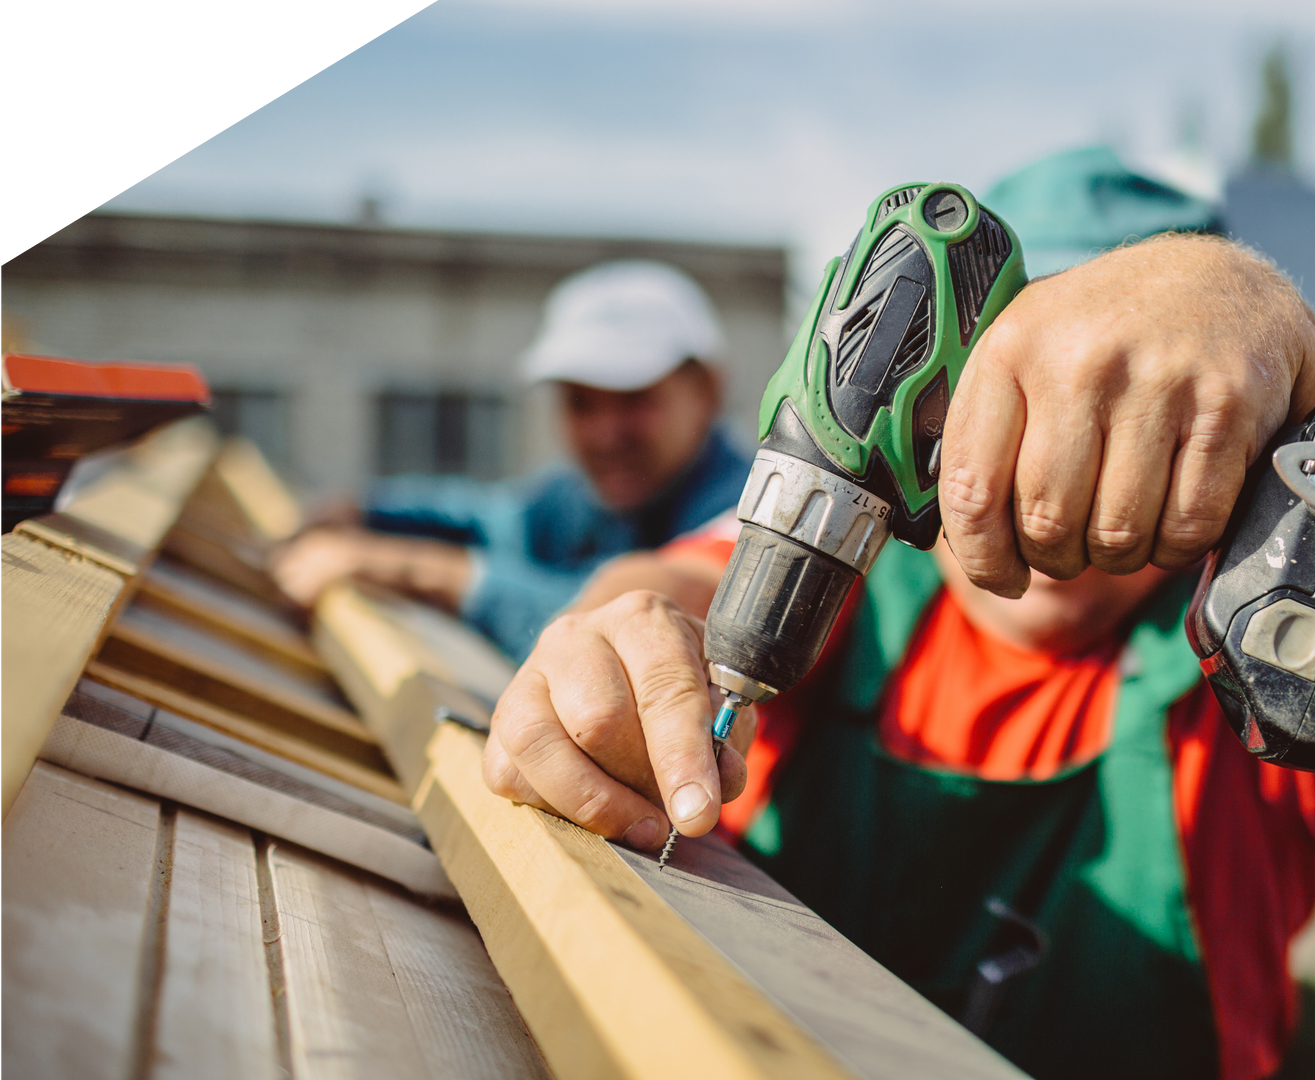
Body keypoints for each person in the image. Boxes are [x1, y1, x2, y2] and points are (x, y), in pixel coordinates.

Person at [481, 152, 1315, 1080]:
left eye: (1128, 419)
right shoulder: (849, 575)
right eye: (1020, 399)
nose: (1054, 470)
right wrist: (607, 640)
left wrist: (1264, 310)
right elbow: (664, 590)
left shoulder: (1267, 642)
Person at [270, 260, 752, 660]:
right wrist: (366, 512)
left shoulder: (750, 521)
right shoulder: (586, 496)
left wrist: (415, 569)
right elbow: (492, 518)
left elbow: (611, 623)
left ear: (706, 391)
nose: (606, 434)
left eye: (634, 398)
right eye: (580, 403)